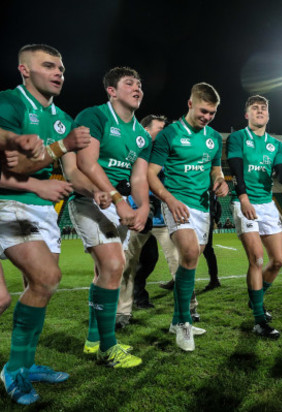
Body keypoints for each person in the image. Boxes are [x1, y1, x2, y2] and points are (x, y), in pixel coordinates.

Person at [0, 44, 93, 405]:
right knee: (45, 279)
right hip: (10, 203)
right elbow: (9, 166)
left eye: (62, 68)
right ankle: (15, 369)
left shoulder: (62, 118)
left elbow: (72, 172)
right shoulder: (9, 103)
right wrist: (57, 151)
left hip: (42, 210)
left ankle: (26, 362)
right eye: (49, 66)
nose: (59, 73)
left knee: (38, 289)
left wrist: (105, 199)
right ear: (24, 70)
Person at [72, 66, 151, 366]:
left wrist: (142, 206)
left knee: (104, 272)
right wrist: (118, 200)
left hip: (120, 205)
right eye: (129, 83)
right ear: (111, 91)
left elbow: (140, 178)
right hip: (90, 200)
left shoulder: (142, 136)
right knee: (116, 266)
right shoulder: (95, 116)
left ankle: (94, 338)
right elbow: (86, 163)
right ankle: (108, 348)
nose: (137, 88)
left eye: (140, 84)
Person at [147, 82, 229, 351]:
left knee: (191, 261)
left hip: (202, 207)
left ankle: (176, 319)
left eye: (212, 113)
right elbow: (151, 174)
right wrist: (169, 200)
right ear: (190, 103)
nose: (207, 117)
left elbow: (216, 170)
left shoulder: (214, 138)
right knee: (192, 254)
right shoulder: (169, 134)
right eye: (204, 111)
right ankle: (184, 323)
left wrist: (220, 181)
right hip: (176, 203)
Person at [227, 95, 282, 337]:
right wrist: (244, 198)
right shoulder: (238, 138)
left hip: (267, 204)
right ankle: (259, 320)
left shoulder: (276, 144)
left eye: (263, 108)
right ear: (247, 115)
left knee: (278, 261)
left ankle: (256, 299)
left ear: (268, 115)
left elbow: (280, 177)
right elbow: (236, 170)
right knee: (257, 259)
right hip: (243, 201)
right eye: (255, 108)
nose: (260, 111)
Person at [116, 114, 171, 328]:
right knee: (130, 263)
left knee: (152, 260)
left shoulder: (162, 153)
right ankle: (123, 311)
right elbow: (131, 180)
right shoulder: (135, 149)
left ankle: (187, 311)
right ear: (146, 130)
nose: (164, 131)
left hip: (159, 217)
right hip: (137, 214)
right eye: (160, 127)